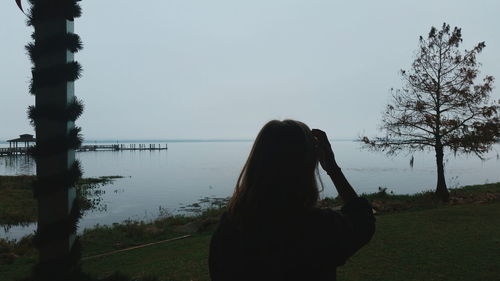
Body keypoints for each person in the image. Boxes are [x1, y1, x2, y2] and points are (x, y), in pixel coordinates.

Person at [209, 120, 375, 281]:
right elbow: (363, 222)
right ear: (306, 166)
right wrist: (332, 168)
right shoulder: (319, 228)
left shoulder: (231, 227)